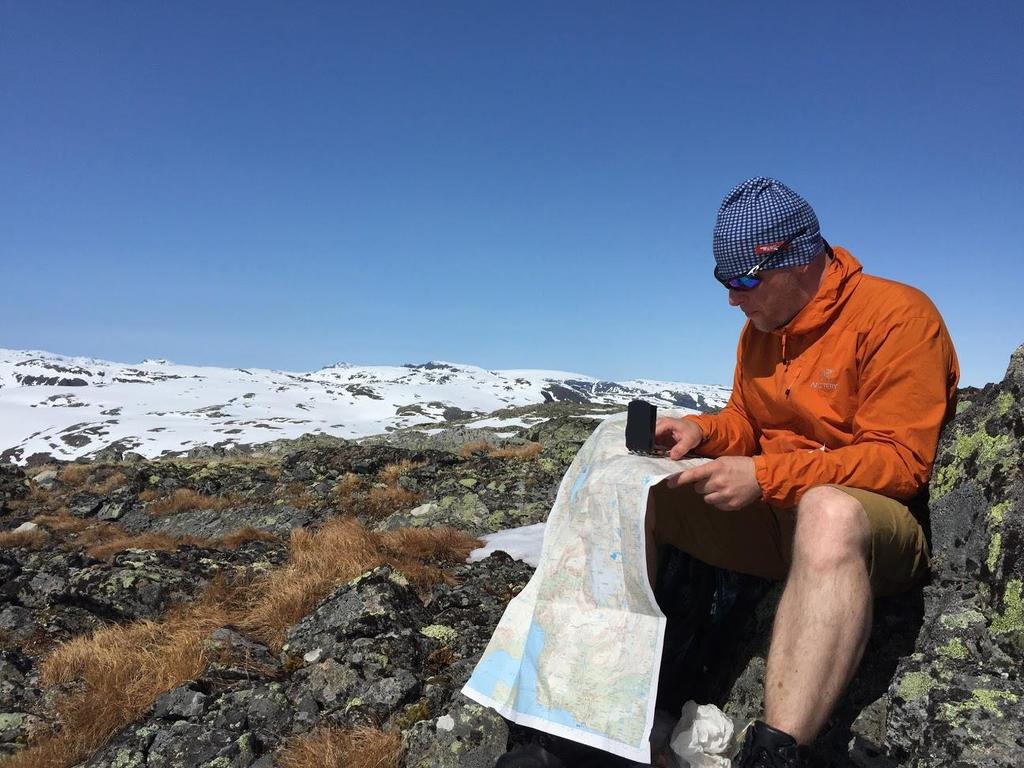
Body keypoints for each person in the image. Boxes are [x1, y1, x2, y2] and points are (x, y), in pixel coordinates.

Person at [648, 177, 959, 767]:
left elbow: (900, 462)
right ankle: (602, 703)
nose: (732, 299)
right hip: (774, 522)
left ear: (797, 259)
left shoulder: (898, 316)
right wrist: (703, 432)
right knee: (643, 489)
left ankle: (775, 751)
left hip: (867, 530)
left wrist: (766, 478)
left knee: (828, 509)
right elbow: (747, 419)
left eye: (743, 280)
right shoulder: (760, 330)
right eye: (722, 280)